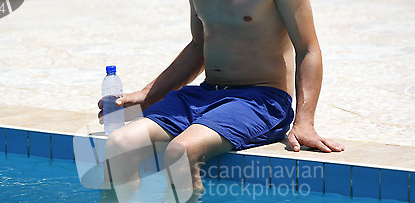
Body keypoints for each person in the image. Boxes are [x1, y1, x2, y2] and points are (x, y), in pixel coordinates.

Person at [98, 0, 344, 192]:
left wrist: (304, 122)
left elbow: (308, 49)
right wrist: (147, 95)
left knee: (180, 152)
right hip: (205, 94)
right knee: (120, 144)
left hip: (259, 100)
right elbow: (198, 47)